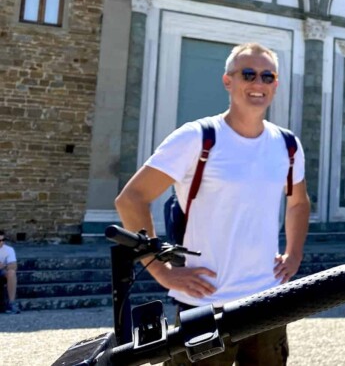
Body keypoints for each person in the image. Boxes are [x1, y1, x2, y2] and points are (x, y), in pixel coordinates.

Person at [115, 42, 309, 365]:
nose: (258, 84)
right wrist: (162, 273)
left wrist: (294, 253)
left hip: (266, 300)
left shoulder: (288, 145)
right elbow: (131, 199)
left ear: (276, 84)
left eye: (267, 76)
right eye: (248, 74)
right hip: (203, 305)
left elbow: (298, 203)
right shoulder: (198, 137)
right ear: (228, 81)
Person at [0, 231, 18, 314]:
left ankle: (11, 303)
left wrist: (3, 266)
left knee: (11, 273)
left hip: (2, 271)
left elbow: (14, 266)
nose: (1, 242)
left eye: (3, 240)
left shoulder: (9, 250)